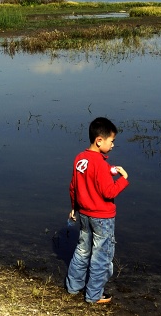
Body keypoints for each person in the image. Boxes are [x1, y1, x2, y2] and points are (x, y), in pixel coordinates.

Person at [65, 117, 130, 305]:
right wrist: (123, 179)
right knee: (101, 257)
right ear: (99, 140)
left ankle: (73, 287)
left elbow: (73, 187)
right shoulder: (100, 164)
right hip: (102, 217)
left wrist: (73, 208)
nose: (113, 145)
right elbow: (108, 192)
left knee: (82, 251)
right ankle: (94, 295)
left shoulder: (80, 159)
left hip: (84, 214)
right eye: (112, 141)